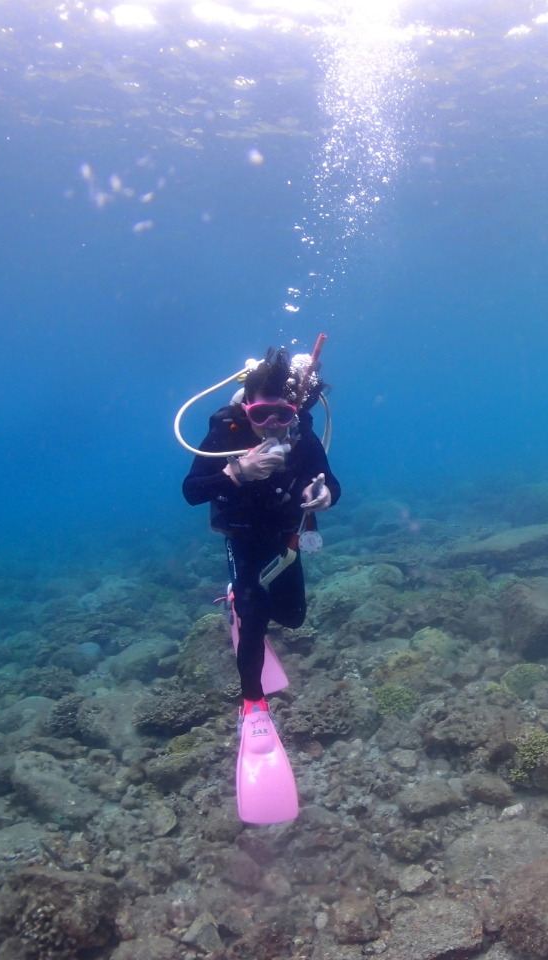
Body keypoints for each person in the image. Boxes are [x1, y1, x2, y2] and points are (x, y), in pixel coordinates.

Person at [182, 346, 340, 823]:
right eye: (260, 413)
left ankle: (242, 597)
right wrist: (234, 471)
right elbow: (191, 491)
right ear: (244, 406)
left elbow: (332, 480)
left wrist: (325, 495)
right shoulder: (225, 431)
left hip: (288, 536)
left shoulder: (301, 433)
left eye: (283, 414)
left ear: (294, 409)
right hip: (244, 537)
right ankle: (252, 706)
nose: (272, 424)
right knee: (255, 616)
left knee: (292, 618)